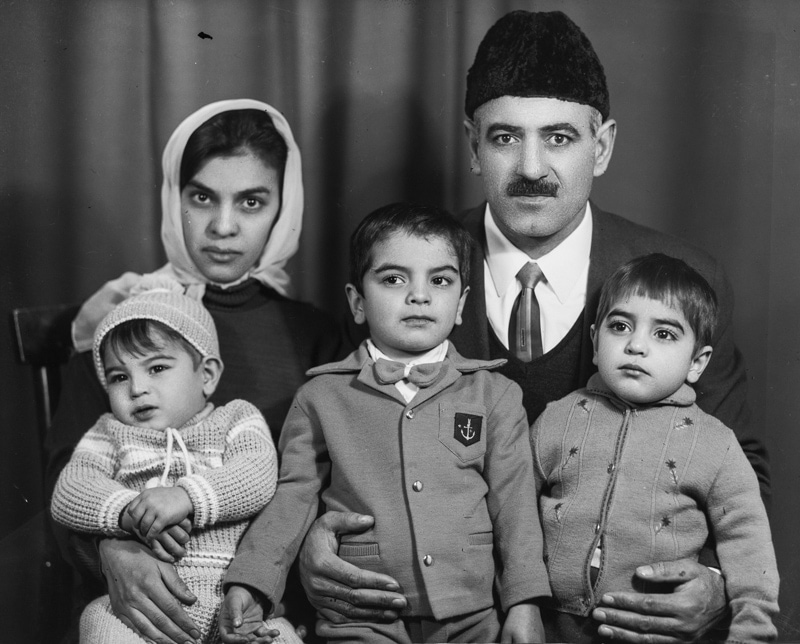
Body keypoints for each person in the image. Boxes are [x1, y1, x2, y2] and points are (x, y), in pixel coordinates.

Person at [296, 11, 770, 642]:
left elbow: (740, 463)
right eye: (504, 138)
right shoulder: (404, 263)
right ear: (471, 145)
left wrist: (713, 580)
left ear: (600, 147)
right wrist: (308, 541)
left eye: (559, 138)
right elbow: (337, 434)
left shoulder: (684, 277)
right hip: (440, 619)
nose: (531, 166)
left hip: (613, 624)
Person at [45, 99, 342, 644]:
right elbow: (69, 476)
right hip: (139, 600)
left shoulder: (318, 336)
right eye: (201, 197)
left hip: (262, 596)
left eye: (251, 202)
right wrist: (114, 549)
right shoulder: (127, 323)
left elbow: (329, 484)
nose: (223, 227)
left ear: (284, 207)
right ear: (172, 197)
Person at [220, 203, 550, 643]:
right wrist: (252, 581)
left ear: (461, 305)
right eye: (394, 279)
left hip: (471, 616)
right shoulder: (321, 396)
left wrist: (524, 604)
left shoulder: (496, 394)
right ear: (357, 303)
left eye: (440, 280)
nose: (419, 295)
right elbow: (293, 499)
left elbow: (515, 509)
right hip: (361, 613)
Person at [532, 253, 779, 643]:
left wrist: (750, 632)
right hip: (547, 630)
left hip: (654, 634)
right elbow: (511, 516)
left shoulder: (715, 444)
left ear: (697, 363)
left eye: (663, 334)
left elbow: (748, 543)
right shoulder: (556, 419)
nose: (636, 345)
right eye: (620, 326)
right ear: (595, 342)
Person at [51, 278, 299, 643]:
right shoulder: (109, 432)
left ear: (208, 375)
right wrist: (130, 512)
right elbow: (71, 489)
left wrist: (186, 497)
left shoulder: (235, 418)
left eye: (156, 368)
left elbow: (257, 474)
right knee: (98, 621)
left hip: (232, 604)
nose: (137, 388)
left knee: (281, 636)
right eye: (119, 376)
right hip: (139, 612)